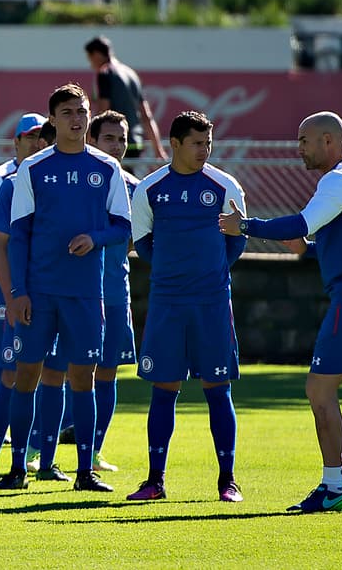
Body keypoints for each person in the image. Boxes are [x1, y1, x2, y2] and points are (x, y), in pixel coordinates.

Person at [220, 111, 342, 512]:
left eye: (304, 141)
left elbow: (302, 222)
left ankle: (333, 487)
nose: (299, 149)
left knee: (319, 389)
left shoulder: (337, 179)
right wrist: (306, 249)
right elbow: (335, 239)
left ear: (328, 140)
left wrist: (245, 226)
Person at [0, 83, 131, 493]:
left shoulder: (107, 169)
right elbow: (18, 235)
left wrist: (95, 237)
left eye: (83, 111)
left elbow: (123, 227)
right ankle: (18, 467)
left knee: (84, 377)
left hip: (86, 294)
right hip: (39, 293)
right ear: (52, 120)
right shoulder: (33, 169)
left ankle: (84, 472)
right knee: (27, 376)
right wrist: (19, 292)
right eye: (69, 112)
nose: (77, 118)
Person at [126, 111, 247, 503]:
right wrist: (172, 272)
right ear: (175, 144)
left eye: (208, 143)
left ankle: (228, 481)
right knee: (164, 389)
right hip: (167, 304)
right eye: (197, 143)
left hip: (211, 303)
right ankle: (154, 481)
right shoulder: (150, 188)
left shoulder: (225, 186)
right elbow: (143, 243)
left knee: (218, 389)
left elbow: (236, 241)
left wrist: (208, 273)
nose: (204, 151)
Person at [0, 114, 51, 483]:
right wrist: (13, 292)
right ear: (16, 141)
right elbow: (2, 239)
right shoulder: (3, 180)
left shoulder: (62, 178)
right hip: (14, 291)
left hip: (57, 293)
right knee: (8, 371)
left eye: (42, 137)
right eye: (30, 137)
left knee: (56, 374)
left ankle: (45, 460)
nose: (37, 142)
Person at [84, 110, 140, 474]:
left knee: (106, 374)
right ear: (92, 140)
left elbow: (140, 240)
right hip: (76, 294)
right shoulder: (79, 182)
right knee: (59, 372)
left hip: (116, 295)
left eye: (122, 139)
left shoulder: (136, 188)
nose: (117, 146)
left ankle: (93, 452)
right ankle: (37, 450)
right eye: (109, 138)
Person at [84, 36, 166, 160]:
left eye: (90, 59)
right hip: (134, 144)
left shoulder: (105, 73)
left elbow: (103, 112)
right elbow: (146, 116)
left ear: (96, 54)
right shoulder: (132, 74)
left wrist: (88, 141)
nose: (91, 65)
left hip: (112, 144)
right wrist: (158, 151)